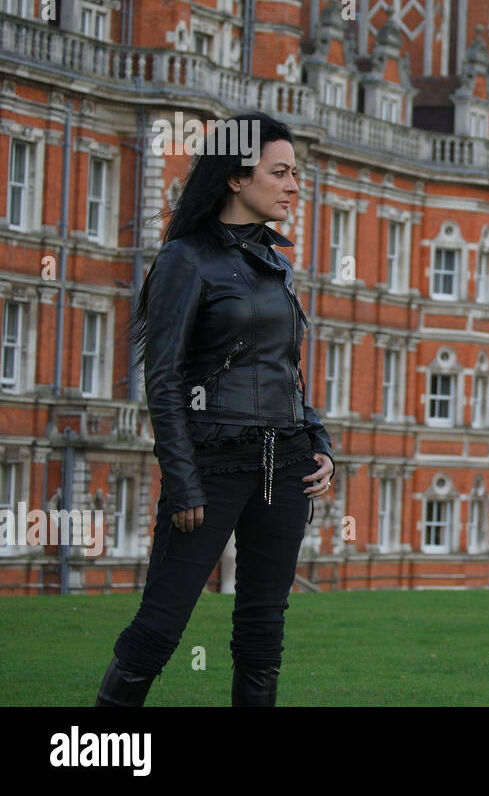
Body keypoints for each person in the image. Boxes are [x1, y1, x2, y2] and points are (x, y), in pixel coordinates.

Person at [94, 111, 335, 706]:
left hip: (285, 468)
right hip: (210, 469)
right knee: (160, 627)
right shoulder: (186, 259)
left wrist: (320, 442)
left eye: (295, 173)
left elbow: (285, 371)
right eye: (280, 172)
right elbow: (164, 379)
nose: (293, 186)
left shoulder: (276, 263)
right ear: (235, 177)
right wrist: (184, 484)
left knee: (262, 633)